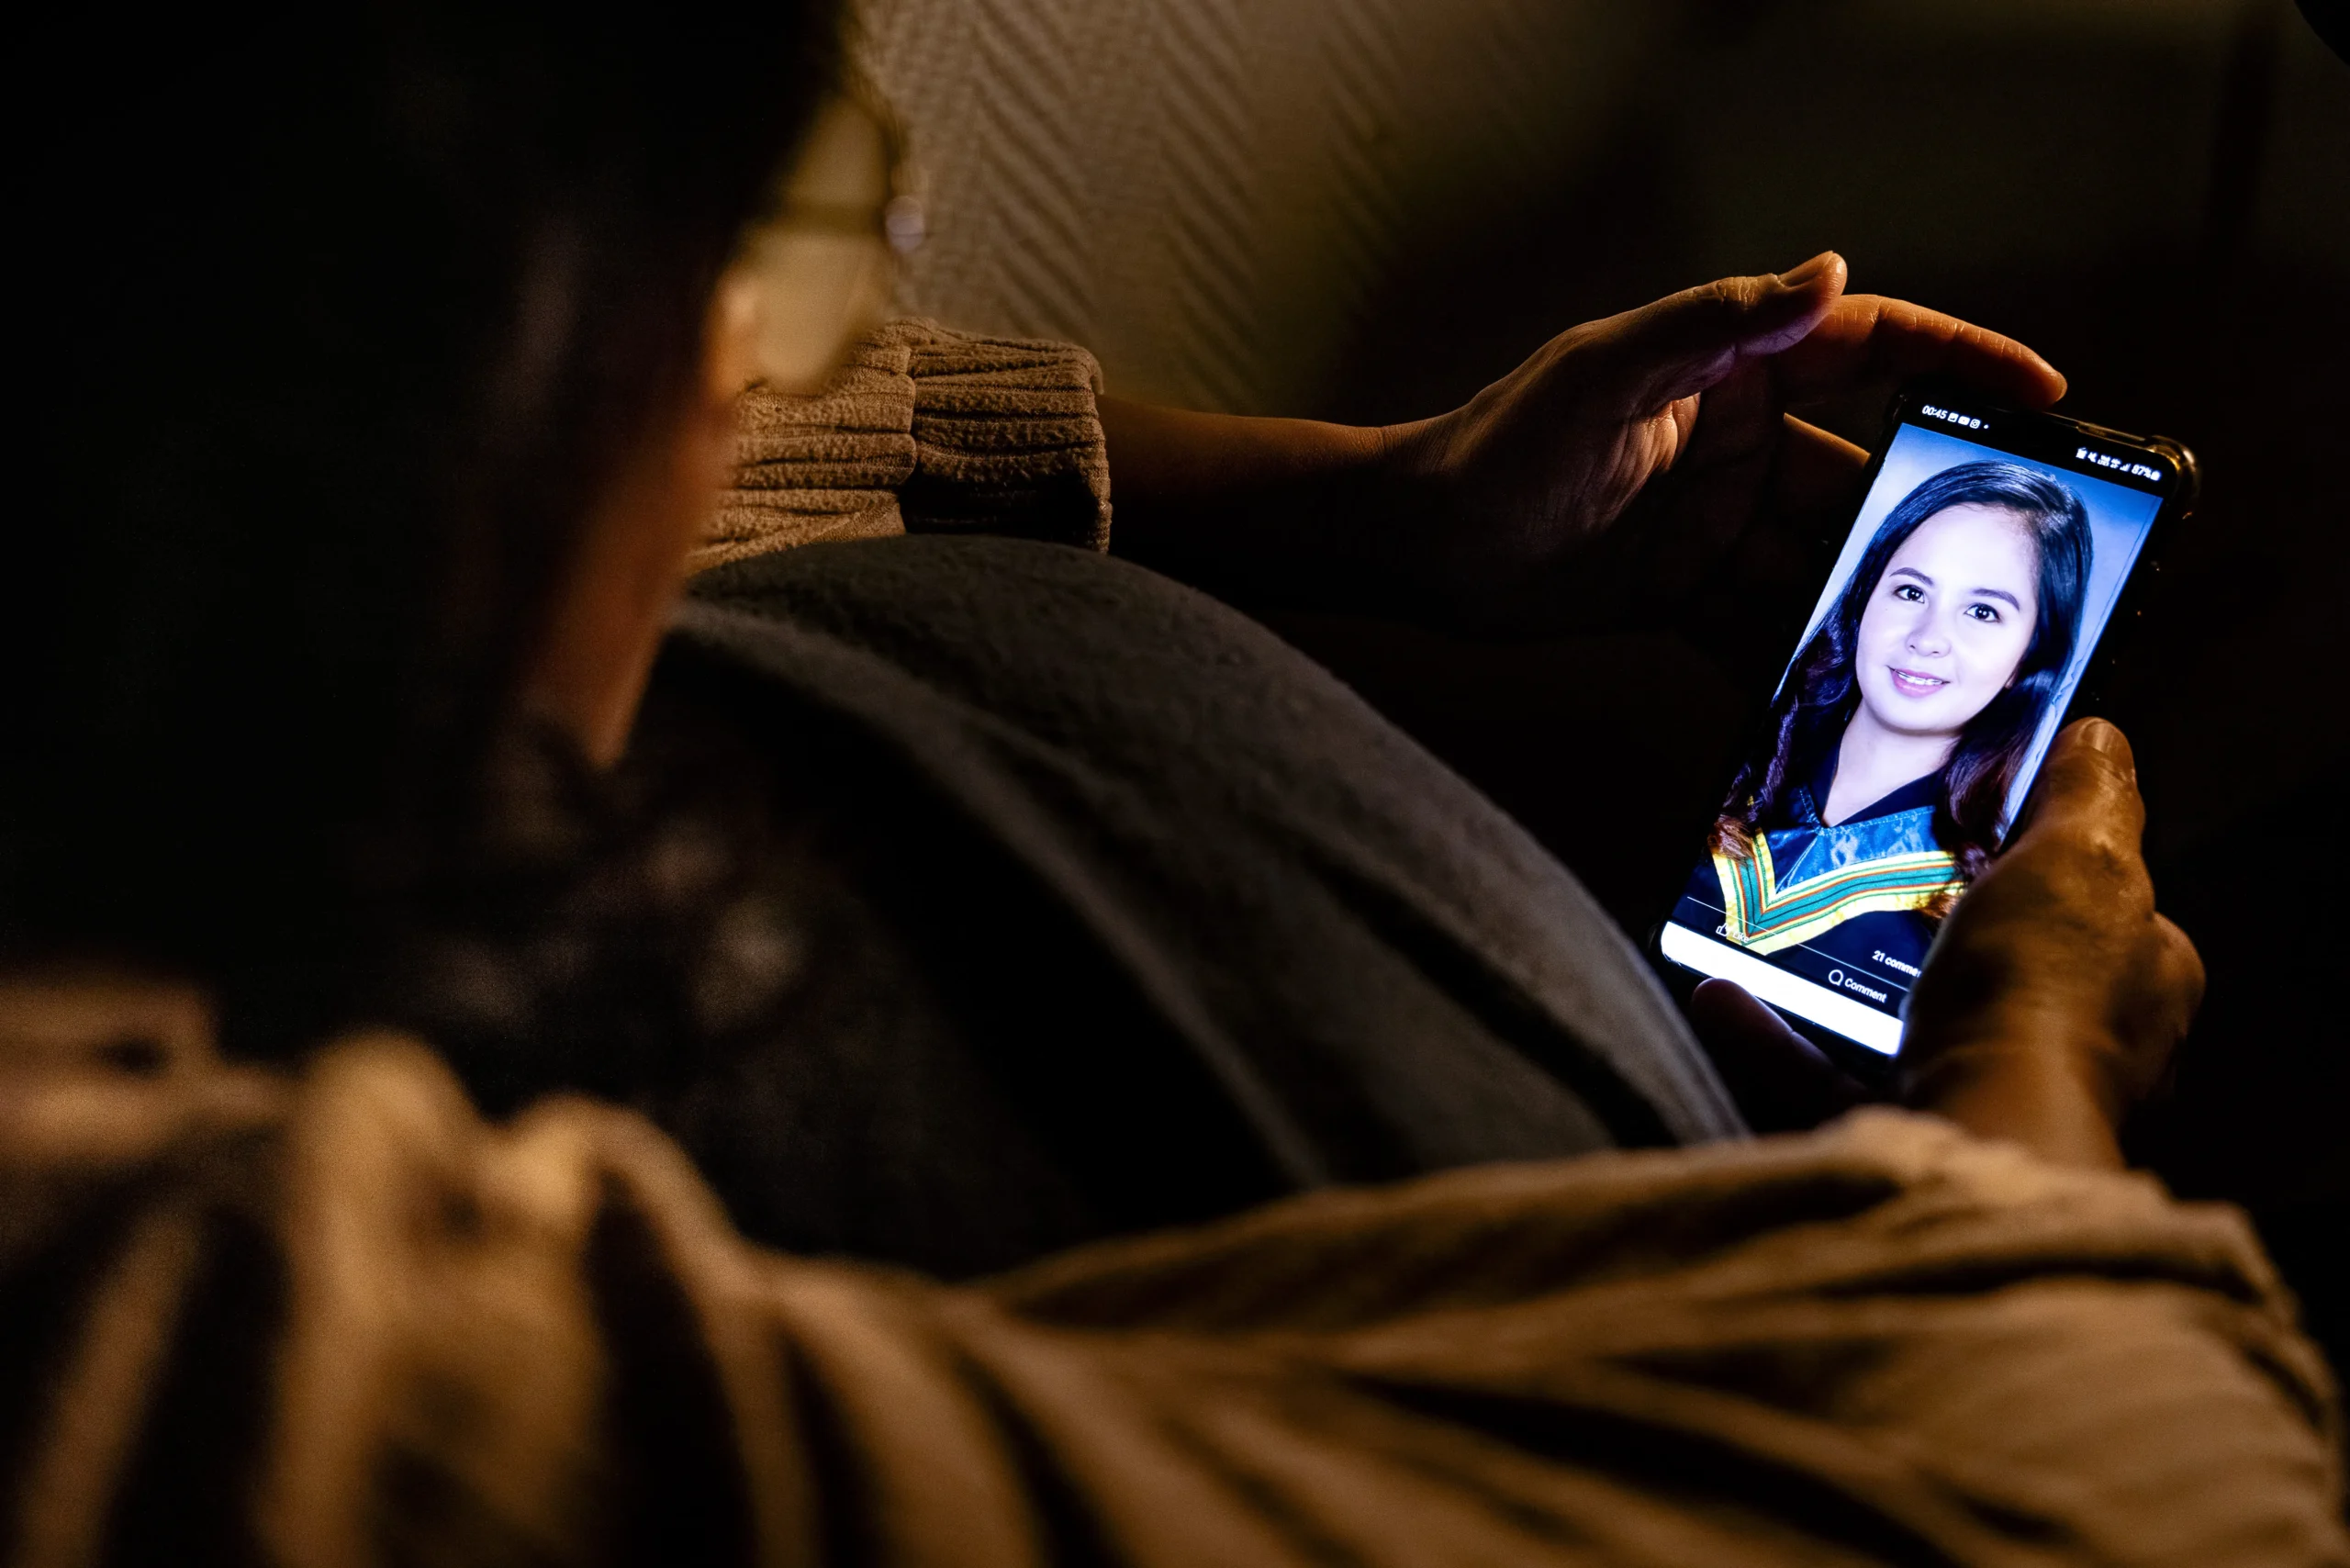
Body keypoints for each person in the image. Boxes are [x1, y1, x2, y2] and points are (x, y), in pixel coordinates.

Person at [3, 4, 2339, 1563]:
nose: (740, 393)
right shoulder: (164, 1326)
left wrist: (1389, 504)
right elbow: (2127, 1499)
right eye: (756, 265)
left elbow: (810, 434)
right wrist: (2026, 1060)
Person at [1676, 463, 2094, 985]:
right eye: (1912, 592)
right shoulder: (1708, 754)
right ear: (1865, 601)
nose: (1928, 638)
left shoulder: (1989, 917)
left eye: (1983, 612)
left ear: (2028, 659)